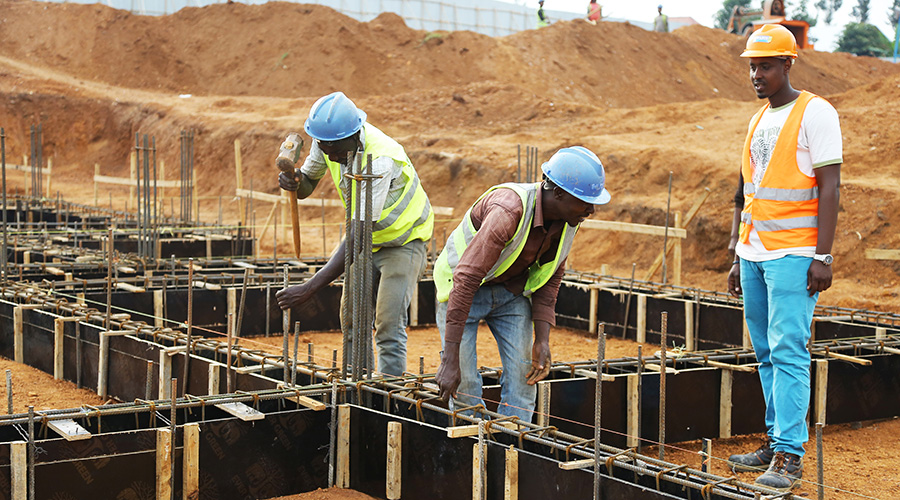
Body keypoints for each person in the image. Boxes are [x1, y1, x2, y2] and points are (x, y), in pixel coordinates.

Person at [725, 24, 841, 491]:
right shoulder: (757, 120)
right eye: (753, 66)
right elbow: (747, 193)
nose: (757, 74)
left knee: (790, 351)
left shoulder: (816, 112)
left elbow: (830, 187)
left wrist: (824, 256)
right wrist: (737, 255)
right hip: (754, 254)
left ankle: (790, 458)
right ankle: (775, 442)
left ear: (788, 64)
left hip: (794, 255)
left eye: (766, 66)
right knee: (767, 353)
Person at [434, 147, 611, 422]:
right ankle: (474, 454)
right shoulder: (508, 210)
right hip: (462, 292)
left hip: (509, 295)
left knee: (523, 380)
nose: (591, 210)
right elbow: (466, 279)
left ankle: (511, 451)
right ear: (559, 193)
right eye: (585, 201)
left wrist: (542, 340)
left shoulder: (568, 221)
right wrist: (449, 359)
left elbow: (550, 280)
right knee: (464, 387)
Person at [276, 91, 434, 377]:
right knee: (352, 320)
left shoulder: (380, 159)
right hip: (364, 238)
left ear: (354, 134)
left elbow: (359, 235)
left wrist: (310, 288)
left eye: (337, 150)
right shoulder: (327, 141)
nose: (332, 156)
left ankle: (388, 392)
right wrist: (294, 181)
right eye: (326, 149)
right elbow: (308, 183)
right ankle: (356, 384)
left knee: (387, 323)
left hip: (403, 241)